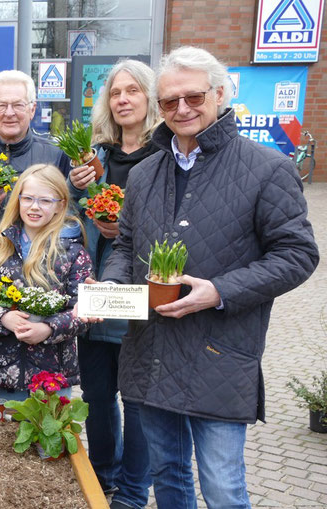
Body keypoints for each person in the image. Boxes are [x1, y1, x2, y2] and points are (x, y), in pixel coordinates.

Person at [102, 46, 318, 508]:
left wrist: (218, 291)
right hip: (152, 350)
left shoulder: (267, 168)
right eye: (169, 101)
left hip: (219, 352)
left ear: (221, 94)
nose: (182, 109)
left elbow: (298, 254)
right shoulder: (144, 174)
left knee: (221, 486)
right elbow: (125, 246)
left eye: (194, 97)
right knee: (169, 478)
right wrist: (114, 287)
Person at [68, 59, 158, 508]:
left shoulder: (164, 156)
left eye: (133, 91)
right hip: (97, 289)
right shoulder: (96, 156)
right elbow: (72, 212)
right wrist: (79, 192)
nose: (123, 99)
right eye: (115, 93)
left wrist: (124, 228)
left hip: (140, 293)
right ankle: (103, 475)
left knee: (138, 398)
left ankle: (134, 488)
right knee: (98, 395)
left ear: (149, 97)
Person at [0, 164, 91, 400]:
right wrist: (2, 317)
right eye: (27, 198)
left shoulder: (72, 252)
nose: (34, 207)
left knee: (49, 434)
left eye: (45, 201)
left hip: (53, 373)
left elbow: (82, 311)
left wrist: (47, 328)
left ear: (60, 205)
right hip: (5, 370)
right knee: (3, 436)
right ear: (17, 200)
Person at [0, 69, 69, 240]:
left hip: (37, 260)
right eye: (1, 105)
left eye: (18, 105)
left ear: (32, 109)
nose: (9, 113)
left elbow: (68, 216)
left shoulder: (56, 155)